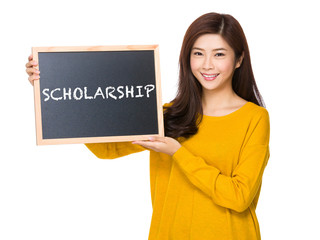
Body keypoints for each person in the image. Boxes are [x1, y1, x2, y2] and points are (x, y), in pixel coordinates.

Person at [26, 12, 270, 240]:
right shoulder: (168, 114)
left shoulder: (254, 118)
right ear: (187, 58)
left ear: (238, 59)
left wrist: (178, 153)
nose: (207, 64)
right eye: (198, 53)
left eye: (219, 54)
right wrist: (56, 87)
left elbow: (239, 197)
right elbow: (106, 150)